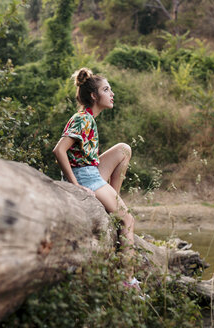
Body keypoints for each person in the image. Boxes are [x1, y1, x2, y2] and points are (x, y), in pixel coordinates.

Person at [52, 67, 137, 275]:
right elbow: (59, 150)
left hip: (91, 171)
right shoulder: (82, 119)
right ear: (94, 95)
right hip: (85, 178)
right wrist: (75, 185)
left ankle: (113, 201)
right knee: (128, 220)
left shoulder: (89, 118)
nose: (112, 94)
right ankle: (128, 280)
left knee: (124, 150)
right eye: (107, 90)